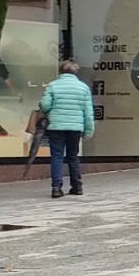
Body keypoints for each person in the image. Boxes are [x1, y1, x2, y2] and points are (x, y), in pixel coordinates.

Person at [38, 60, 94, 199]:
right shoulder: (83, 88)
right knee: (73, 156)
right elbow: (88, 111)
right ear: (76, 72)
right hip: (75, 127)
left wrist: (42, 103)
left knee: (57, 156)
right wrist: (89, 130)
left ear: (60, 72)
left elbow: (45, 106)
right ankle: (77, 186)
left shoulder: (52, 86)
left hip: (56, 126)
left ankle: (56, 188)